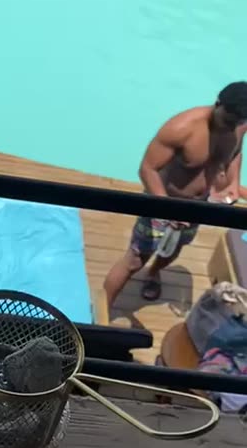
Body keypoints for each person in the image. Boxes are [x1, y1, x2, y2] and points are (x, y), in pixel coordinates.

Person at [104, 82, 247, 308]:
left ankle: (153, 273)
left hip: (197, 207)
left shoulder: (238, 125)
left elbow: (236, 152)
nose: (231, 127)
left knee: (173, 250)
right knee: (134, 260)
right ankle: (101, 310)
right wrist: (167, 210)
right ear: (218, 103)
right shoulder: (182, 128)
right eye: (228, 121)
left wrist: (233, 182)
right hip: (162, 202)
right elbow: (147, 169)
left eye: (237, 123)